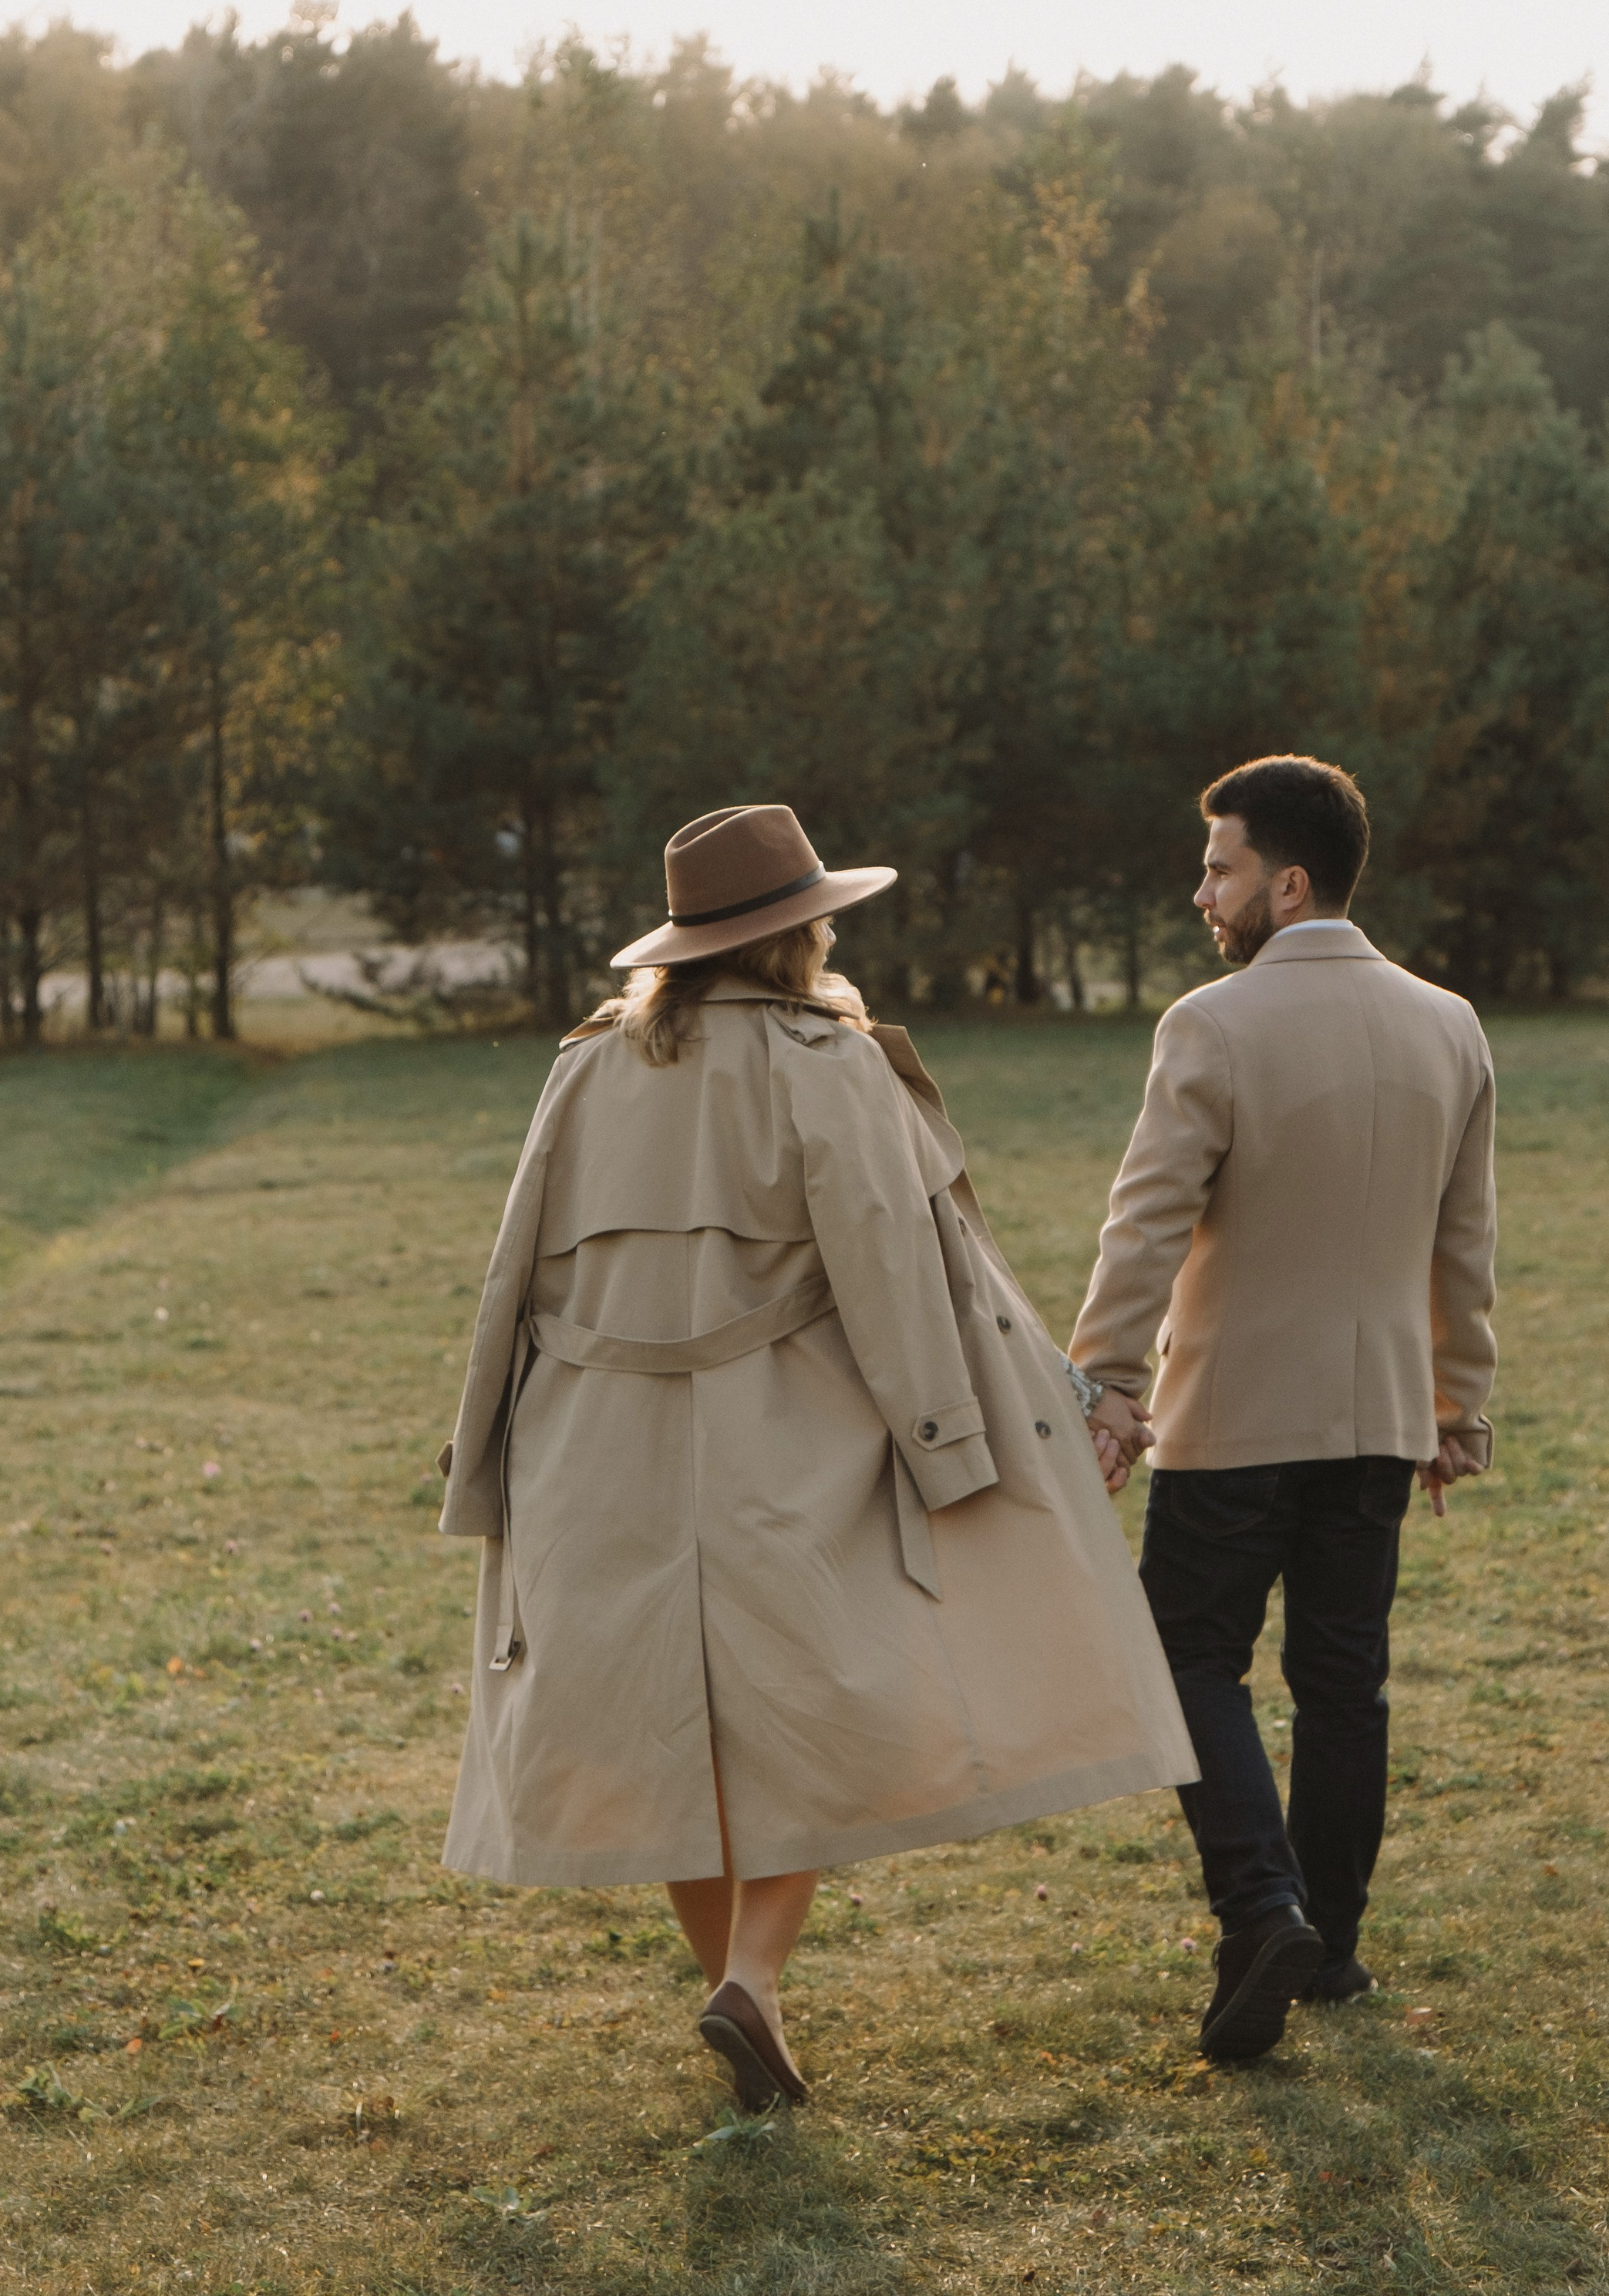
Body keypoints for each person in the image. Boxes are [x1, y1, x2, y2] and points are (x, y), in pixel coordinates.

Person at [436, 802, 1193, 2111]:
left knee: (662, 1740)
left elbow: (511, 1273)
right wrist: (950, 1448)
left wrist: (485, 1453)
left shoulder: (588, 1066)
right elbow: (898, 1273)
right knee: (816, 1720)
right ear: (801, 935)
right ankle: (753, 1980)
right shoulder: (826, 1061)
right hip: (784, 1444)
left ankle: (740, 1995)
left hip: (590, 1449)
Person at [1068, 755, 1496, 2063]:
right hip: (1380, 1415)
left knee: (1185, 1655)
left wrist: (1107, 1381)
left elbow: (1146, 1222)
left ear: (1290, 883)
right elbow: (1465, 1240)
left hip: (1236, 1413)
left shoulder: (1212, 1026)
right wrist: (1458, 1402)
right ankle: (1335, 1948)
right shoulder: (1451, 1025)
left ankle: (1263, 1910)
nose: (1202, 894)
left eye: (1221, 868)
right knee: (1343, 1684)